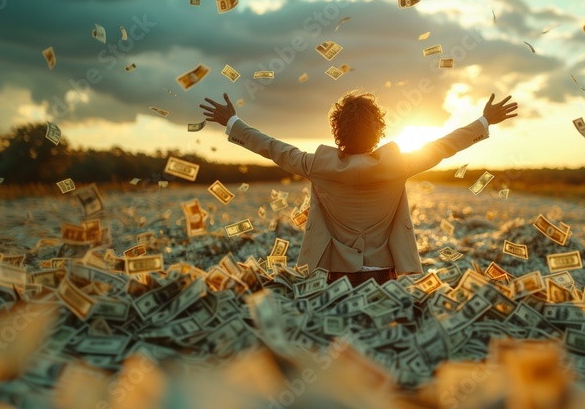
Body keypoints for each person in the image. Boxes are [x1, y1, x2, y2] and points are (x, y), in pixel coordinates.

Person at [200, 90, 518, 286]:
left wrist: (232, 122)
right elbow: (444, 145)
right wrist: (484, 121)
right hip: (386, 270)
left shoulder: (316, 165)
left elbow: (271, 147)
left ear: (337, 132)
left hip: (335, 271)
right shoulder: (399, 163)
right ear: (378, 131)